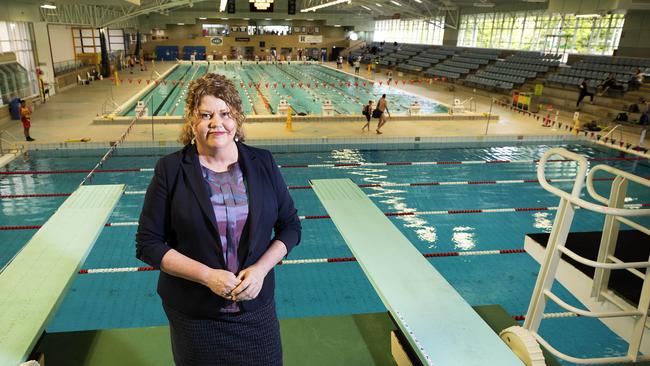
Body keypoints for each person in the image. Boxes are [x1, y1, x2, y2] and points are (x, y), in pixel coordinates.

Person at [136, 73, 301, 366]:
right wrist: (207, 276)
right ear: (191, 121)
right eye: (206, 114)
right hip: (195, 314)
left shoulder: (262, 162)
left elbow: (290, 227)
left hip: (255, 310)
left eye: (225, 113)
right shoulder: (171, 170)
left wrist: (261, 270)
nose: (216, 122)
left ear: (236, 117)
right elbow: (148, 243)